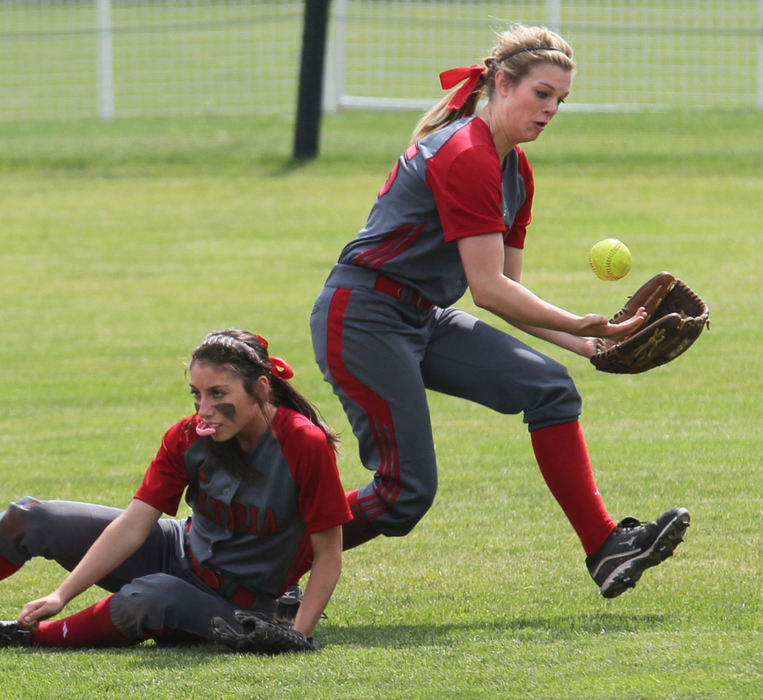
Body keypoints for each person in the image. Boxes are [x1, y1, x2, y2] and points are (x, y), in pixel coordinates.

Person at [310, 24, 690, 599]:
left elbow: (512, 292)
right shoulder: (467, 154)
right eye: (541, 93)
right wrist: (582, 321)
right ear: (501, 85)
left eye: (560, 100)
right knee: (403, 492)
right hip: (363, 316)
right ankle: (256, 564)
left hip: (419, 316)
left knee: (549, 388)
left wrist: (590, 344)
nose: (551, 109)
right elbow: (487, 290)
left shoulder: (516, 169)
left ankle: (606, 546)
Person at [0, 329, 350, 648]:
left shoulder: (303, 442)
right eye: (197, 394)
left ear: (260, 387)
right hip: (177, 548)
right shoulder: (188, 435)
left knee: (150, 596)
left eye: (218, 394)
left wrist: (297, 636)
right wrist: (61, 595)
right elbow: (134, 524)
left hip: (236, 604)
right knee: (30, 517)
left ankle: (23, 636)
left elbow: (328, 555)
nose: (205, 409)